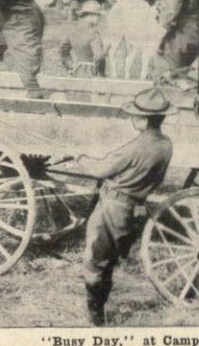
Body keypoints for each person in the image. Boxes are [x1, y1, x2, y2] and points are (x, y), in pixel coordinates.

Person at [75, 87, 175, 326]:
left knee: (94, 260)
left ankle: (96, 318)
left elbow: (100, 170)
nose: (131, 119)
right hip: (133, 209)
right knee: (108, 260)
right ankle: (100, 308)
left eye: (134, 115)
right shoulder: (165, 144)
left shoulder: (134, 148)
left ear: (143, 120)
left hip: (113, 207)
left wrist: (80, 158)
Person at [59, 0, 107, 77]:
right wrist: (102, 74)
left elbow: (63, 52)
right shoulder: (94, 33)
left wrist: (71, 66)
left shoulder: (72, 30)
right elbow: (99, 57)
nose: (100, 19)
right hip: (91, 74)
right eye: (98, 15)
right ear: (91, 15)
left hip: (76, 72)